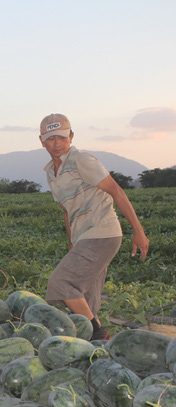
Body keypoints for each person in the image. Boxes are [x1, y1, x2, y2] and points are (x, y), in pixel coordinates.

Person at [39, 113, 149, 340]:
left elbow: (116, 190)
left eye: (61, 137)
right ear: (41, 141)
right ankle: (95, 347)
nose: (56, 144)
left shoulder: (82, 160)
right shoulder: (51, 172)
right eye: (51, 139)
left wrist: (138, 231)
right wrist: (72, 242)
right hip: (84, 238)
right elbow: (66, 209)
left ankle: (98, 334)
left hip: (102, 233)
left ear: (71, 136)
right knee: (86, 294)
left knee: (61, 282)